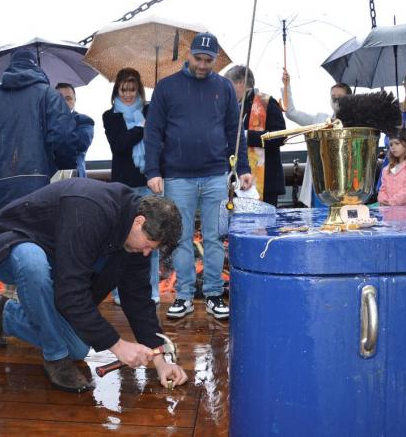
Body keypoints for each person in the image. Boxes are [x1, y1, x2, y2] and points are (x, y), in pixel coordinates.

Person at [0, 178, 188, 393]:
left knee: (77, 347)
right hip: (7, 245)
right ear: (139, 221)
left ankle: (5, 315)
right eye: (148, 245)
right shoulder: (91, 209)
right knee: (32, 262)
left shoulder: (137, 242)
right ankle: (55, 358)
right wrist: (118, 345)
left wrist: (160, 359)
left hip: (55, 261)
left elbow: (138, 299)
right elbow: (70, 292)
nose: (147, 252)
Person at [144, 32, 252, 321]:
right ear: (188, 55)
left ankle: (215, 294)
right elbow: (153, 131)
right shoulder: (166, 88)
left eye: (209, 60)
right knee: (179, 238)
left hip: (217, 174)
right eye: (198, 58)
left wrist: (242, 167)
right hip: (177, 177)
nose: (203, 65)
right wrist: (152, 170)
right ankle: (184, 296)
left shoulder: (225, 88)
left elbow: (234, 131)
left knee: (216, 237)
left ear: (215, 60)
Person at [0, 48, 94, 213]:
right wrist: (62, 167)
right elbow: (63, 138)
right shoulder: (48, 95)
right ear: (35, 66)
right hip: (39, 189)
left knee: (5, 238)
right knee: (37, 237)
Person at [103, 68, 160, 305]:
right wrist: (141, 128)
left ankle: (152, 290)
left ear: (139, 89)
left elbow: (159, 141)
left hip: (148, 184)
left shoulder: (150, 111)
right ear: (117, 90)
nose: (127, 94)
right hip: (122, 187)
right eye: (123, 89)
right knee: (120, 238)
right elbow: (120, 145)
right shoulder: (110, 116)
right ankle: (117, 292)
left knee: (153, 236)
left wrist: (150, 124)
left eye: (132, 88)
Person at [281, 69, 351, 207]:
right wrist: (286, 85)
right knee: (318, 225)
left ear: (349, 99)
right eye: (333, 96)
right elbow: (291, 113)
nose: (336, 100)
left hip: (344, 184)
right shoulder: (320, 120)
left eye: (340, 97)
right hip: (319, 185)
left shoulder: (356, 125)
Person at [224, 65, 286, 205]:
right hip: (236, 179)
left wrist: (245, 135)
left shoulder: (267, 102)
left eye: (228, 84)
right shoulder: (230, 107)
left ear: (241, 83)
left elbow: (280, 136)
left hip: (266, 179)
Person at [55, 82, 94, 178]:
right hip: (48, 179)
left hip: (73, 177)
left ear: (75, 100)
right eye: (59, 99)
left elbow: (76, 146)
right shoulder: (46, 122)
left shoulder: (84, 121)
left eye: (68, 98)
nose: (64, 102)